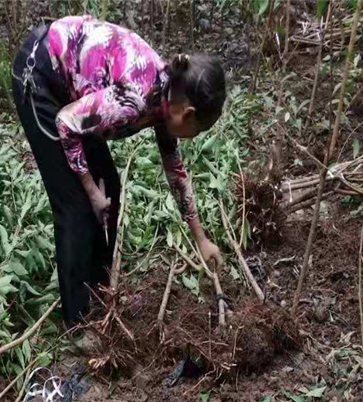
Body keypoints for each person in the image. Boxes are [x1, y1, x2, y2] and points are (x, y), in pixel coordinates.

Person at [12, 16, 226, 326]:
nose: (194, 136)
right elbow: (66, 123)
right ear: (188, 113)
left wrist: (201, 239)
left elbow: (176, 173)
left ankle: (99, 292)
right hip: (42, 78)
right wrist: (89, 189)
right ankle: (79, 322)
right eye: (199, 129)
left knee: (109, 187)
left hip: (77, 94)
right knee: (77, 206)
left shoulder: (167, 100)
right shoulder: (136, 101)